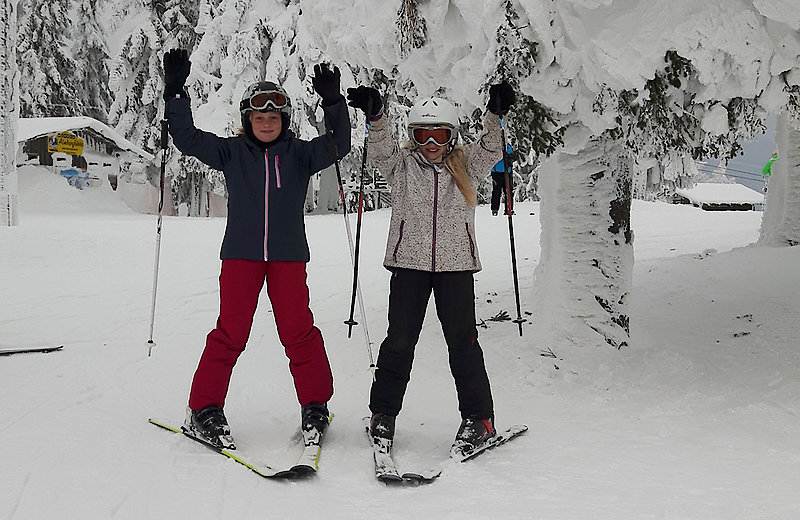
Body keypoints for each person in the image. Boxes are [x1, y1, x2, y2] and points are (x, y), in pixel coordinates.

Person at [162, 48, 351, 449]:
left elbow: (340, 145)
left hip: (287, 256)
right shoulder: (231, 152)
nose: (266, 123)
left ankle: (316, 405)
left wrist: (334, 103)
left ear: (285, 121)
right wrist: (176, 93)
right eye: (259, 117)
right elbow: (187, 139)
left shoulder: (300, 154)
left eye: (274, 117)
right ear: (248, 121)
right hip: (241, 256)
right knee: (230, 333)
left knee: (299, 331)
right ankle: (204, 408)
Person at [346, 81, 515, 456]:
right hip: (409, 265)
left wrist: (494, 114)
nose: (431, 143)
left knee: (463, 343)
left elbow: (491, 146)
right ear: (414, 136)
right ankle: (383, 414)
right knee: (399, 342)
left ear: (451, 136)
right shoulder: (402, 166)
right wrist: (376, 117)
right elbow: (382, 149)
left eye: (439, 134)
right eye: (423, 134)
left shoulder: (467, 164)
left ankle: (479, 418)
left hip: (456, 267)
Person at [490, 144, 514, 216]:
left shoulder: (508, 146)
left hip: (507, 172)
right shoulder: (496, 146)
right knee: (497, 191)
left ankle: (509, 209)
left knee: (508, 191)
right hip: (497, 172)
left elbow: (512, 158)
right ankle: (495, 209)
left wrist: (510, 159)